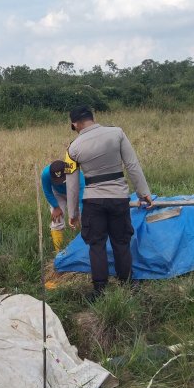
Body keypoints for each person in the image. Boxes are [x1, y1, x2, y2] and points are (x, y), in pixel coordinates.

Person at [65, 106, 153, 299]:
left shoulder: (73, 148)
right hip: (118, 197)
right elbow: (132, 165)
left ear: (74, 124)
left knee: (96, 244)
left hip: (92, 201)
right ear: (92, 117)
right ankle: (127, 283)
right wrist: (143, 193)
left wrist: (72, 214)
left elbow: (71, 184)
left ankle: (99, 290)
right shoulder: (117, 133)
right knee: (121, 241)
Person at [42, 160, 85, 252]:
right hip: (57, 193)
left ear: (67, 171)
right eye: (56, 180)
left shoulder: (75, 172)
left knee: (83, 218)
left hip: (73, 192)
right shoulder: (46, 174)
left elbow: (82, 194)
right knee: (57, 220)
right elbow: (47, 191)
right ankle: (59, 252)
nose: (60, 182)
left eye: (62, 179)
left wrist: (77, 213)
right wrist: (56, 207)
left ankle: (83, 249)